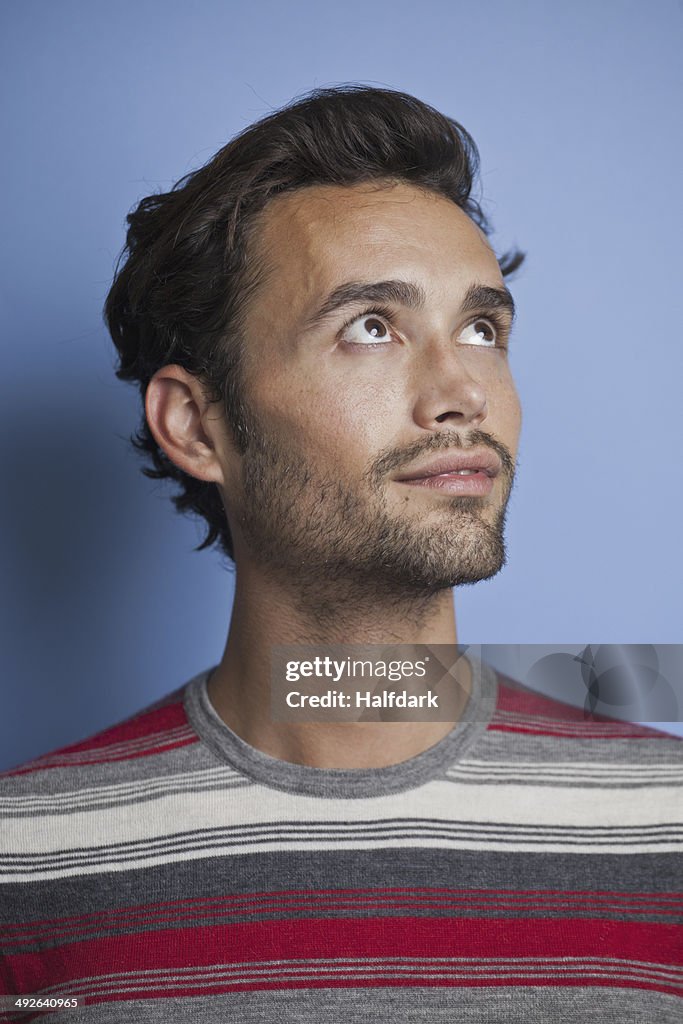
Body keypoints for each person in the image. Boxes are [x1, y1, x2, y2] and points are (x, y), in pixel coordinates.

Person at [0, 86, 680, 1023]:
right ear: (196, 427)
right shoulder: (23, 861)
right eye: (371, 326)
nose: (461, 396)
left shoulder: (665, 825)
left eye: (482, 330)